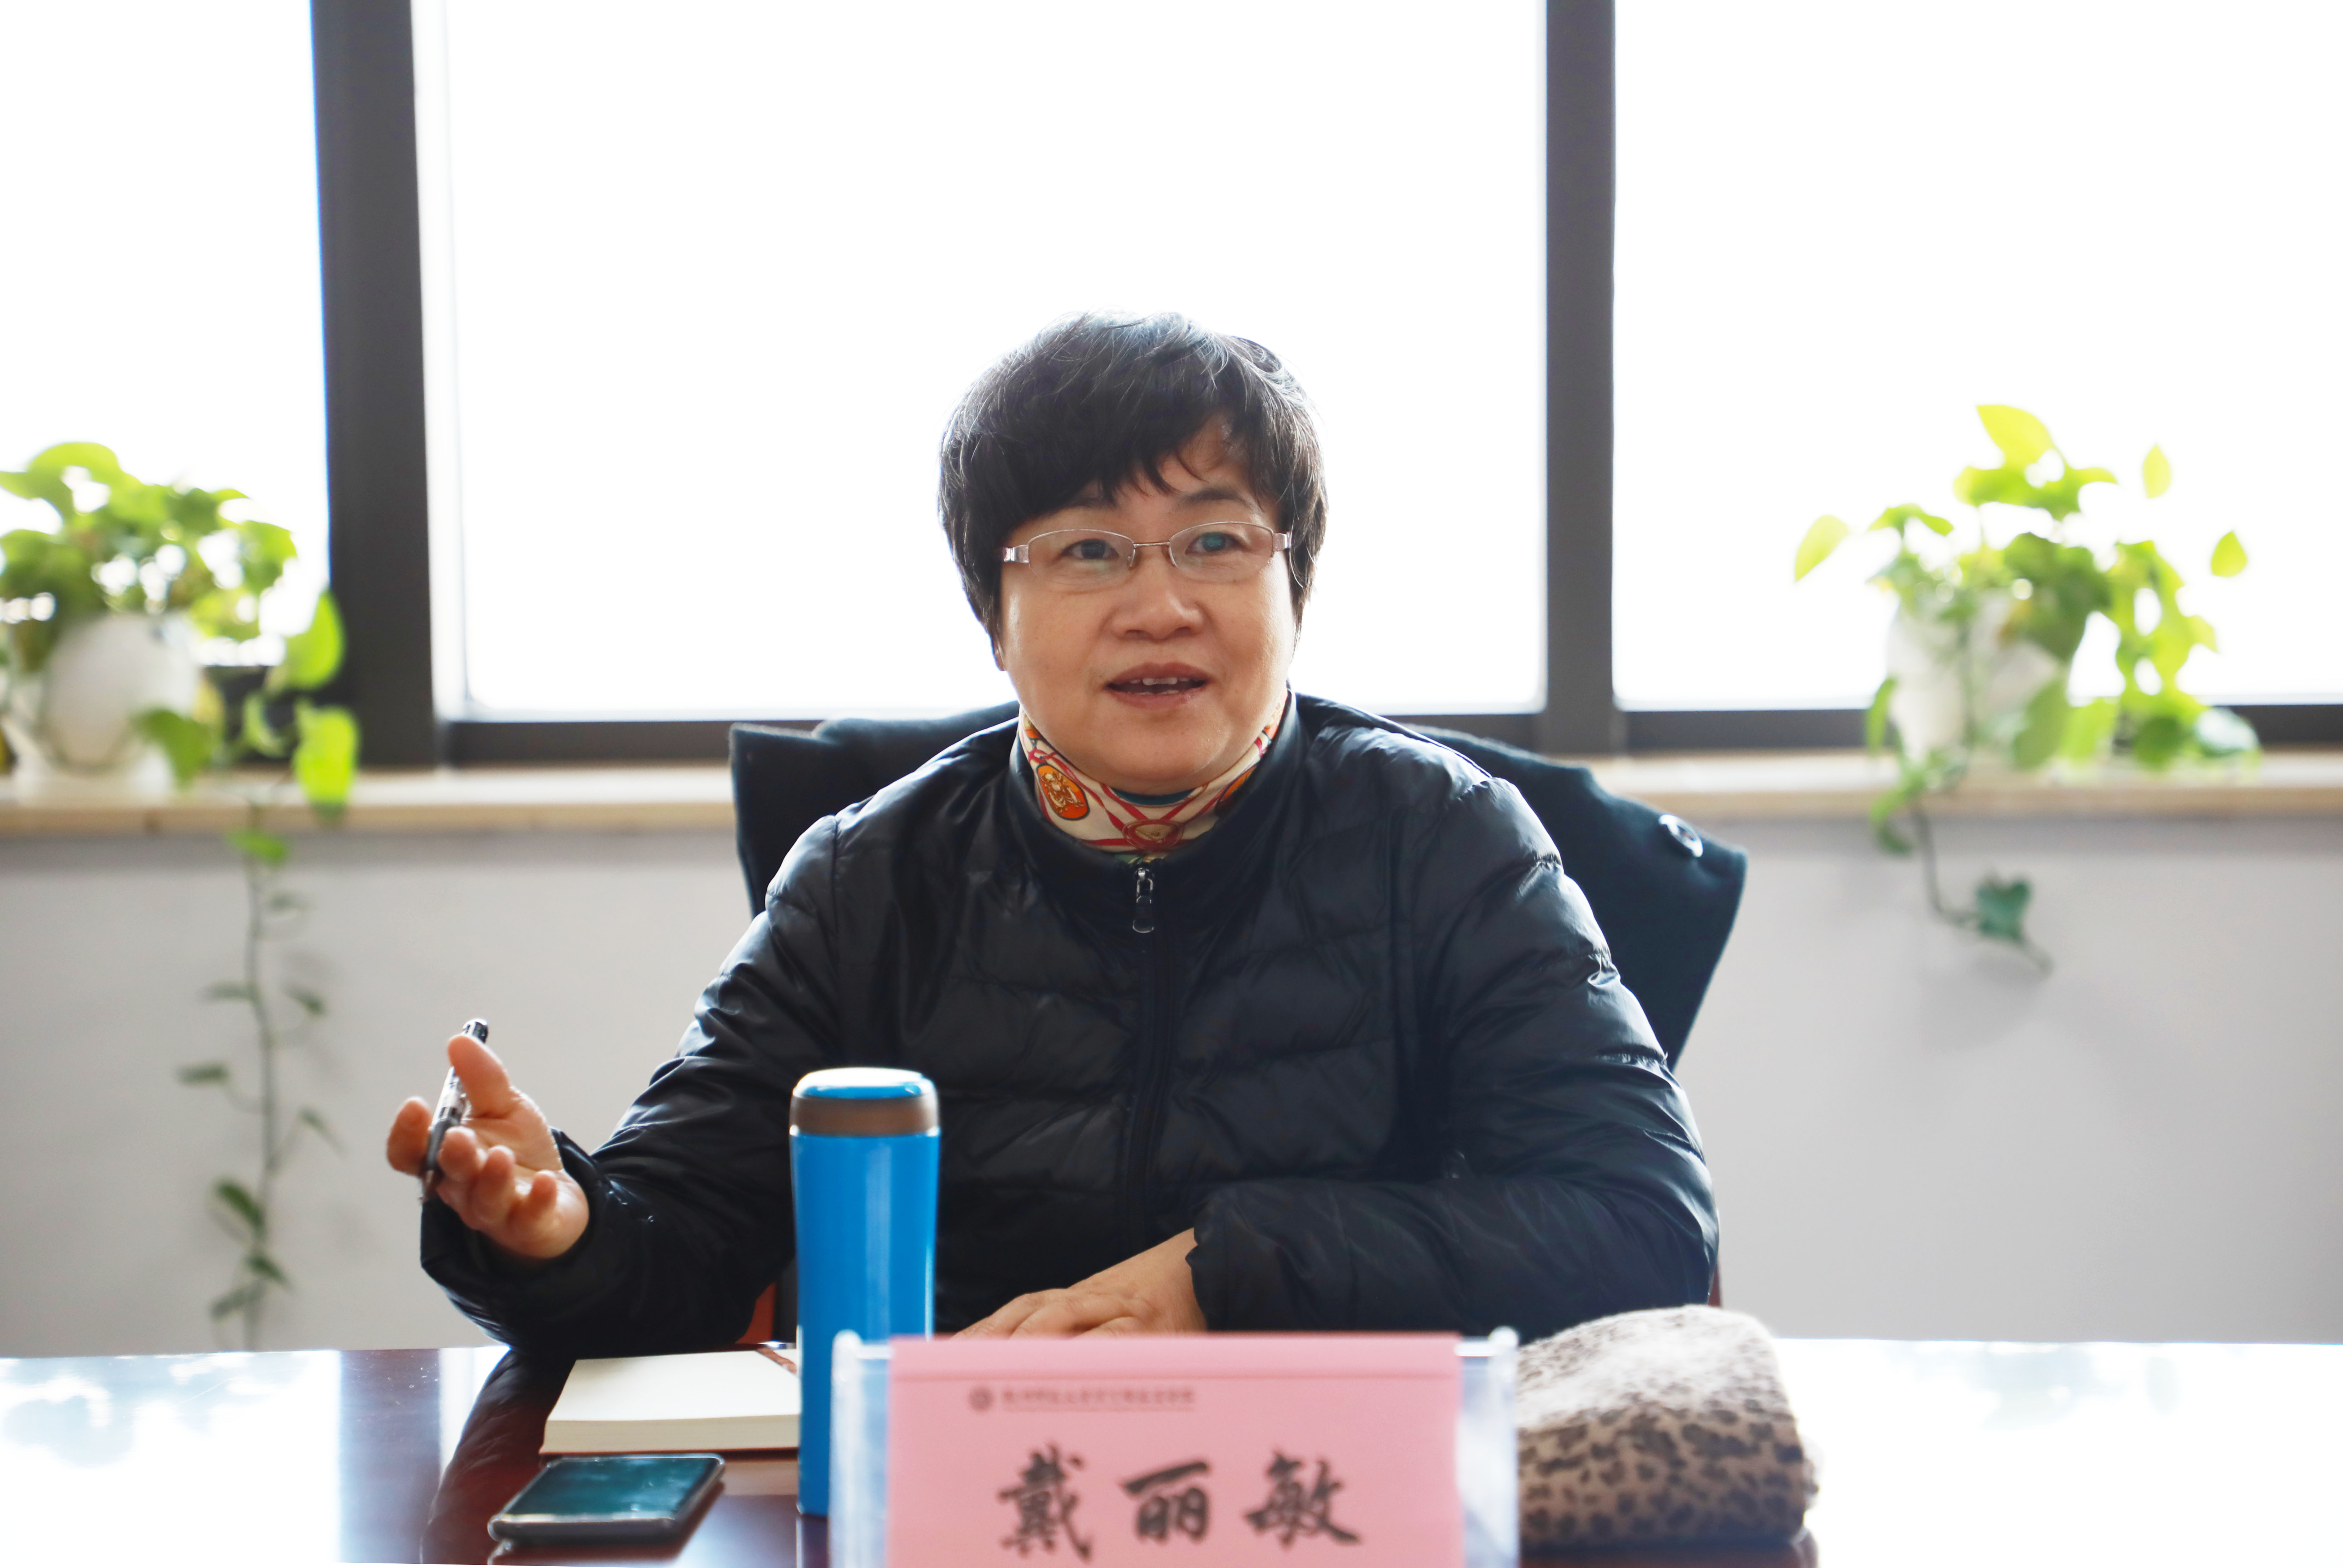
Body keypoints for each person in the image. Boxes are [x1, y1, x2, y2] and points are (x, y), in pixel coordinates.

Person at [386, 312, 1715, 1352]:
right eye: (1086, 551)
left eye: (1214, 543)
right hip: (973, 1487)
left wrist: (1225, 1273)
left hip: (1336, 1487)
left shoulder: (1442, 839)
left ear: (1291, 586)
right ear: (993, 614)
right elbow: (679, 1245)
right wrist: (555, 1232)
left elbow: (1642, 1224)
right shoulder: (869, 879)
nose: (1159, 606)